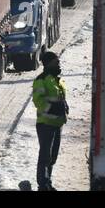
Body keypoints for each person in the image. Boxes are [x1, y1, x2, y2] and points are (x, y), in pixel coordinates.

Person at [32, 50, 68, 191]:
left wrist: (64, 106)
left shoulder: (56, 79)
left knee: (52, 157)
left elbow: (60, 98)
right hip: (46, 124)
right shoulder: (41, 79)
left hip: (57, 123)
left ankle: (48, 182)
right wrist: (52, 108)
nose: (59, 64)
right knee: (45, 155)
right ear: (48, 64)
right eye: (56, 62)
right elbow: (38, 100)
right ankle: (43, 184)